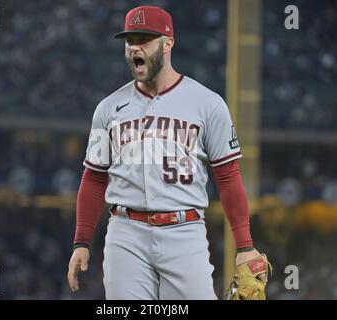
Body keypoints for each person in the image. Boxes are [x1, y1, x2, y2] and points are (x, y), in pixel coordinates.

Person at [67, 5, 268, 300]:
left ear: (168, 43)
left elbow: (227, 177)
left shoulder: (207, 104)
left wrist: (245, 246)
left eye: (144, 39)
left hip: (184, 232)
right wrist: (81, 242)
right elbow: (95, 177)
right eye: (130, 40)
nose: (135, 47)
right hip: (126, 233)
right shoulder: (108, 109)